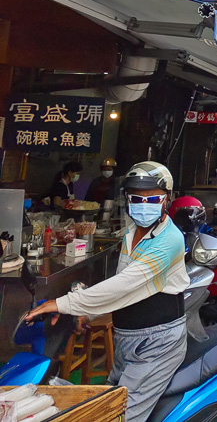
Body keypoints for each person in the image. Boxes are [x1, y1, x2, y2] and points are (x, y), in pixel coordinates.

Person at [26, 161, 189, 422]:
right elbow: (123, 287)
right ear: (126, 199)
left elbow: (124, 285)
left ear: (167, 199)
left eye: (153, 199)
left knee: (122, 415)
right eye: (137, 198)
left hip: (156, 343)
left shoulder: (169, 240)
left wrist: (63, 303)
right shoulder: (132, 232)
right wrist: (87, 314)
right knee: (108, 403)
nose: (143, 205)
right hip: (127, 338)